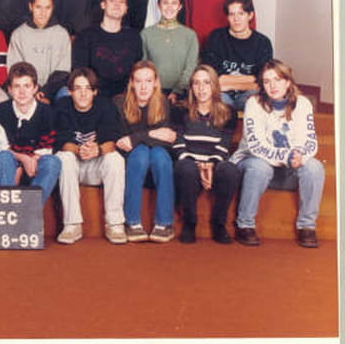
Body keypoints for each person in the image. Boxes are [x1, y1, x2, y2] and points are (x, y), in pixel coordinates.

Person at [230, 60, 323, 248]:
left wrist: (299, 155)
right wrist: (287, 157)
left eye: (278, 80)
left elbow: (309, 141)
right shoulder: (254, 103)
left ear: (288, 82)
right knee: (259, 166)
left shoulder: (303, 104)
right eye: (267, 81)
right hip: (252, 166)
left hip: (285, 169)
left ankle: (307, 226)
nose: (272, 86)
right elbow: (257, 146)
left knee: (314, 167)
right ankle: (245, 224)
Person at [53, 68, 125, 245]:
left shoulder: (105, 106)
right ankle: (72, 224)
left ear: (95, 91)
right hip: (73, 167)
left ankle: (115, 223)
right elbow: (62, 141)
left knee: (115, 159)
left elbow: (112, 141)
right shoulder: (62, 106)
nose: (83, 93)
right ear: (70, 91)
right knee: (64, 157)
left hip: (96, 166)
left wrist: (97, 150)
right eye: (78, 88)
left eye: (88, 88)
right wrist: (80, 150)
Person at [173, 65, 239, 244]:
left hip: (214, 163)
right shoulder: (180, 110)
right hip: (189, 162)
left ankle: (219, 223)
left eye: (206, 83)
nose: (201, 88)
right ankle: (190, 223)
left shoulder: (229, 112)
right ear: (191, 87)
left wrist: (210, 164)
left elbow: (224, 145)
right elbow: (178, 143)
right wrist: (197, 165)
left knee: (230, 170)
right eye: (196, 83)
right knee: (185, 168)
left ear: (214, 86)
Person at [114, 60, 176, 243]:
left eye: (148, 81)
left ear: (155, 83)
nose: (143, 87)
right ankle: (132, 222)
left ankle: (164, 223)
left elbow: (168, 138)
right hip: (132, 159)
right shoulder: (119, 103)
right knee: (140, 153)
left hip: (157, 156)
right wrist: (151, 135)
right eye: (138, 81)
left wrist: (138, 137)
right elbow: (122, 142)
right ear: (132, 83)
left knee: (160, 156)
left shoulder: (163, 102)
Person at [0, 62, 62, 204]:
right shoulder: (1, 111)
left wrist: (30, 160)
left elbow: (48, 148)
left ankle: (30, 211)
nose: (22, 92)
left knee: (52, 162)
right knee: (4, 158)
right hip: (12, 163)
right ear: (9, 89)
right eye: (17, 86)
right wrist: (23, 160)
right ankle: (6, 209)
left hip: (36, 162)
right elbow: (2, 148)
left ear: (35, 88)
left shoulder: (47, 113)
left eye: (27, 86)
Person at [202, 0, 272, 111]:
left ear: (250, 15)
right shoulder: (216, 37)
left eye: (241, 13)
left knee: (257, 102)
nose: (236, 19)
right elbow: (213, 77)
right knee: (215, 103)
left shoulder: (262, 42)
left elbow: (263, 81)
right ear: (227, 17)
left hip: (249, 93)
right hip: (221, 94)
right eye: (232, 14)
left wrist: (227, 84)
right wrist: (250, 79)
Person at [72, 0, 142, 98]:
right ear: (103, 5)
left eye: (122, 1)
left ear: (126, 8)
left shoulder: (134, 37)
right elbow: (80, 72)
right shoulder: (86, 36)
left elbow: (137, 71)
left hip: (126, 96)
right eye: (112, 0)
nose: (117, 5)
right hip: (93, 96)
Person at [7, 0, 71, 103]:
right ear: (31, 7)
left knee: (66, 94)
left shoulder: (62, 34)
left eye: (47, 7)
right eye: (38, 7)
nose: (43, 12)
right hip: (26, 88)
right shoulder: (18, 34)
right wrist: (35, 92)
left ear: (53, 8)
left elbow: (63, 72)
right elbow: (15, 70)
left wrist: (45, 92)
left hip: (53, 89)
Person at [140, 0, 198, 104]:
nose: (169, 7)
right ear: (159, 5)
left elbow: (190, 67)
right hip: (152, 93)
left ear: (180, 7)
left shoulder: (190, 35)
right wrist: (154, 90)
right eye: (165, 3)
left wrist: (177, 91)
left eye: (174, 3)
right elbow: (143, 66)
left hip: (182, 94)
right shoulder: (146, 34)